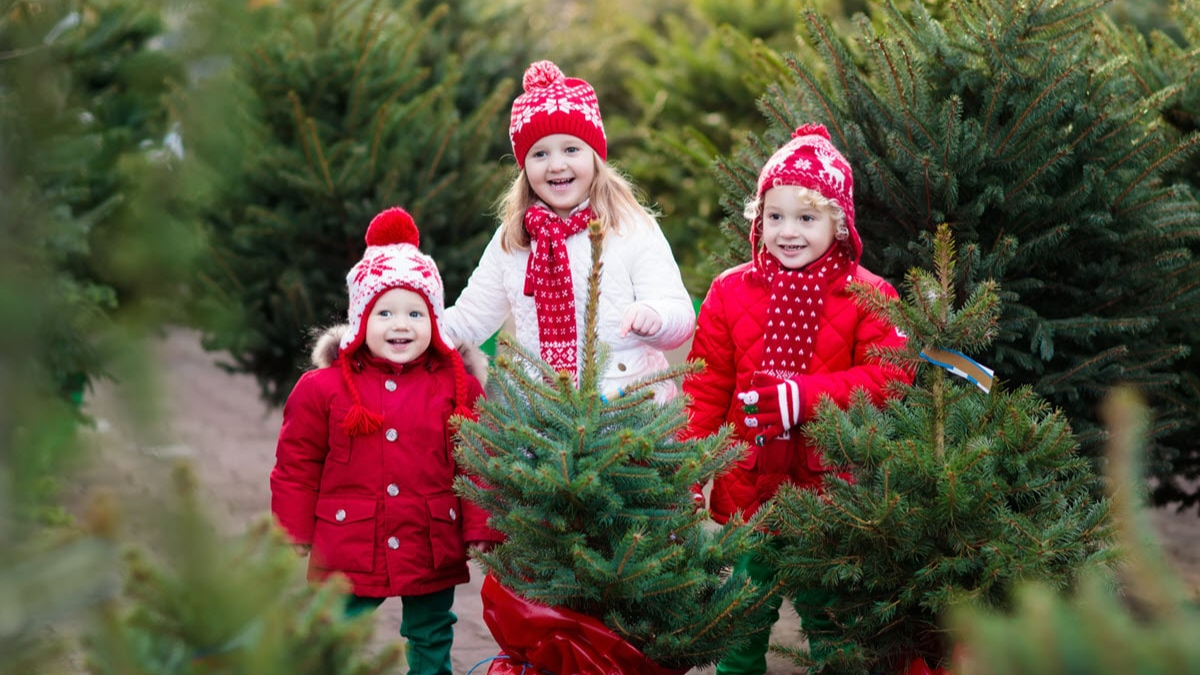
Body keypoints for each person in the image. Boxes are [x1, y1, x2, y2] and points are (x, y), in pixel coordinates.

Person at [682, 124, 912, 675]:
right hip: (747, 493)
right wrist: (688, 468)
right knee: (739, 619)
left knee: (831, 625)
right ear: (758, 220)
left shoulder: (868, 294)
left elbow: (890, 379)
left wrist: (800, 399)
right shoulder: (730, 291)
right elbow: (706, 387)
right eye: (776, 216)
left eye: (807, 218)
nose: (788, 232)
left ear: (839, 223)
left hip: (829, 495)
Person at [270, 206, 501, 675]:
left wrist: (483, 525)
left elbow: (476, 459)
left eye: (416, 312)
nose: (401, 324)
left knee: (433, 629)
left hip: (428, 535)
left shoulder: (456, 386)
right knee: (332, 626)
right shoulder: (324, 388)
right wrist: (292, 528)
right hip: (351, 536)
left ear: (434, 319)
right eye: (385, 312)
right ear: (360, 319)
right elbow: (297, 462)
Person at [442, 60, 694, 400]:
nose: (556, 164)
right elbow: (470, 319)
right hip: (543, 425)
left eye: (571, 149)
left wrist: (656, 317)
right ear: (524, 165)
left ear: (594, 156)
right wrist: (411, 328)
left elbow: (677, 312)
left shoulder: (629, 226)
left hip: (628, 416)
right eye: (540, 154)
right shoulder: (514, 239)